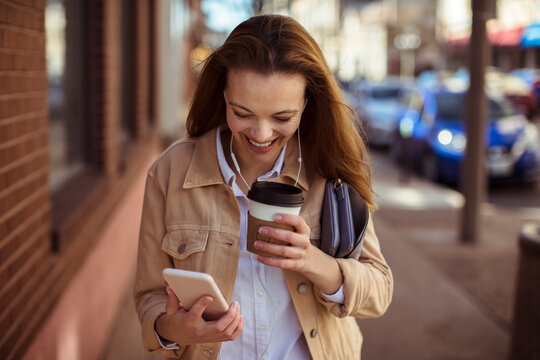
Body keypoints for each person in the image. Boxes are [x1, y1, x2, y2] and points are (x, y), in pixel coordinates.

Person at [133, 14, 393, 360]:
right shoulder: (170, 171)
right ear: (222, 94)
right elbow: (150, 296)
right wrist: (174, 329)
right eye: (242, 112)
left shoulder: (330, 169)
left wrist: (311, 260)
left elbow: (379, 292)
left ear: (306, 104)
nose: (261, 134)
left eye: (282, 118)